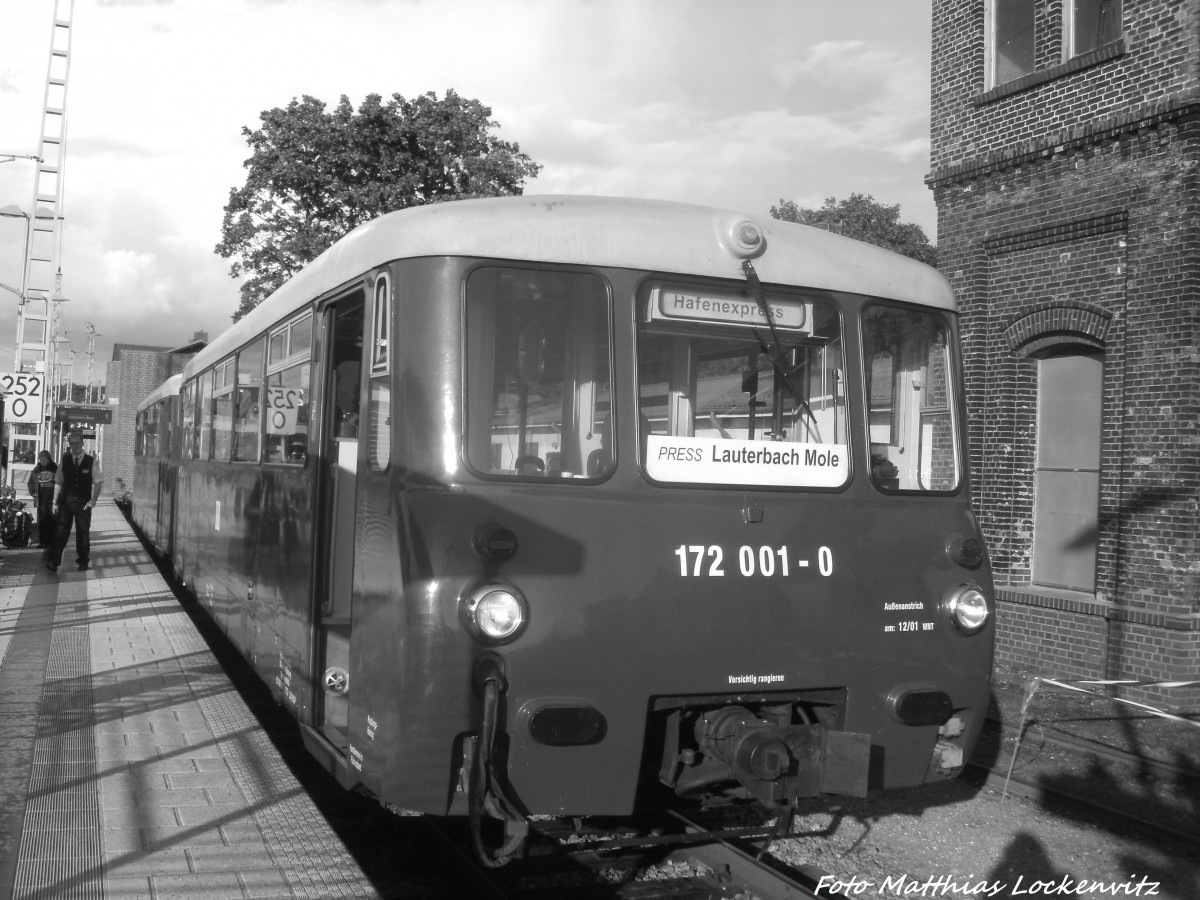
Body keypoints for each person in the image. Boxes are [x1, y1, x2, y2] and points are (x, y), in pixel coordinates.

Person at [47, 429, 104, 573]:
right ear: (69, 445)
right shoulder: (65, 461)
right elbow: (58, 482)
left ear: (82, 444)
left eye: (77, 443)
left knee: (82, 534)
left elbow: (98, 483)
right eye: (72, 443)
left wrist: (93, 500)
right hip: (66, 502)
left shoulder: (91, 462)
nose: (75, 446)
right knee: (61, 532)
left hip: (83, 503)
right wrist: (54, 502)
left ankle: (83, 561)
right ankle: (54, 561)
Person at [26, 450, 57, 548]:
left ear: (49, 459)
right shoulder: (37, 469)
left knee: (51, 519)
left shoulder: (54, 468)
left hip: (51, 497)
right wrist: (33, 492)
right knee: (42, 520)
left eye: (44, 460)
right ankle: (43, 541)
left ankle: (52, 541)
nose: (42, 462)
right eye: (41, 460)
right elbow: (30, 482)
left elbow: (60, 482)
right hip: (40, 498)